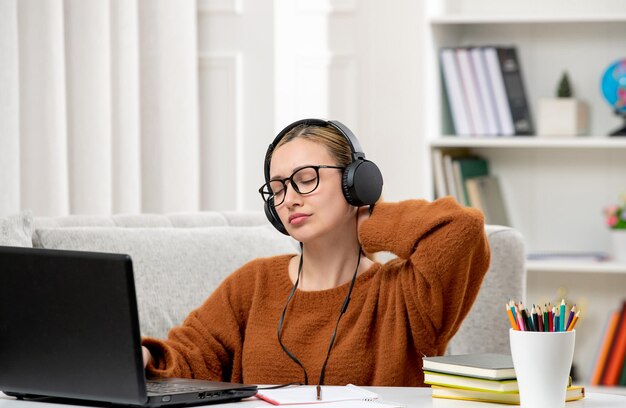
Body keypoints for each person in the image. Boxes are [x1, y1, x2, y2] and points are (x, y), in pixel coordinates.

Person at [141, 119, 490, 387]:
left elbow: (462, 229)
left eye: (305, 179)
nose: (289, 198)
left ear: (355, 182)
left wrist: (369, 218)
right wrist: (141, 357)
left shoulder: (408, 294)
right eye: (277, 188)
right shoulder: (252, 284)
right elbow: (188, 358)